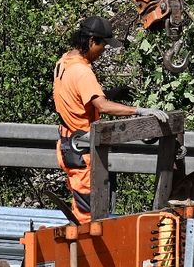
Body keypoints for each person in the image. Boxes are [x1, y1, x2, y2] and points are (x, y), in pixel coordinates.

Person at [52, 16, 140, 224]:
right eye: (103, 46)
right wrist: (138, 110)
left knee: (81, 208)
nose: (103, 52)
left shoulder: (64, 61)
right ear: (92, 41)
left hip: (68, 145)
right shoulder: (83, 72)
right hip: (82, 150)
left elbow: (78, 98)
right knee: (89, 218)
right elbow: (102, 106)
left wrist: (112, 93)